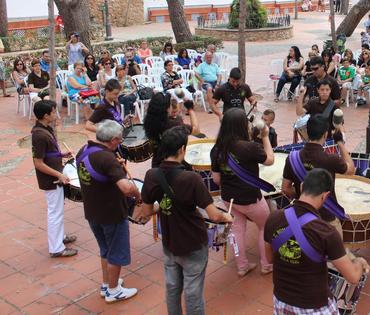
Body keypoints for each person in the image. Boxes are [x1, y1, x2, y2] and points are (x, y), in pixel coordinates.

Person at [138, 126, 233, 314]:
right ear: (182, 149)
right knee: (193, 291)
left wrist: (164, 205)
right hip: (192, 242)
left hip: (170, 241)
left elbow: (147, 211)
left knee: (172, 288)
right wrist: (226, 216)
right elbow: (214, 215)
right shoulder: (191, 178)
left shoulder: (151, 175)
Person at [264, 168, 370, 314]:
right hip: (314, 306)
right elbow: (353, 277)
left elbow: (269, 259)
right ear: (325, 196)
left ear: (301, 187)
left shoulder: (273, 218)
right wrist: (359, 262)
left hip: (281, 301)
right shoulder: (326, 232)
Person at [77, 120, 139, 302]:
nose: (119, 144)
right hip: (111, 213)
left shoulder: (83, 151)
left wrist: (114, 166)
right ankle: (114, 291)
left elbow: (99, 173)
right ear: (112, 140)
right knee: (116, 252)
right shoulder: (107, 159)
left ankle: (107, 284)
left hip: (92, 211)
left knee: (105, 249)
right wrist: (137, 194)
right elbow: (127, 188)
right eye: (119, 141)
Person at [210, 108, 274, 276]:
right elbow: (270, 160)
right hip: (250, 198)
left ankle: (242, 266)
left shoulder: (216, 149)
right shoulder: (249, 147)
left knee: (236, 230)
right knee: (264, 227)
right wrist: (265, 136)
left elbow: (216, 179)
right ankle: (266, 265)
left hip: (229, 199)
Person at [282, 115, 355, 234]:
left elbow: (285, 188)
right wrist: (340, 143)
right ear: (325, 134)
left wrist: (302, 195)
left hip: (303, 217)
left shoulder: (292, 158)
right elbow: (351, 169)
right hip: (327, 219)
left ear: (307, 132)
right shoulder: (331, 159)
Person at [31, 100, 77, 258]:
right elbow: (38, 163)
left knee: (57, 210)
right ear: (45, 115)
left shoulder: (45, 129)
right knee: (55, 212)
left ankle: (60, 237)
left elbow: (48, 153)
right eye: (53, 112)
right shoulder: (39, 135)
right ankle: (56, 248)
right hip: (51, 179)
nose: (55, 115)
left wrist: (61, 154)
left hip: (55, 176)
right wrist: (59, 174)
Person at [144, 93, 201, 168]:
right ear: (167, 109)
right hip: (174, 165)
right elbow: (196, 130)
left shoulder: (148, 121)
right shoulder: (171, 125)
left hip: (157, 163)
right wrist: (190, 109)